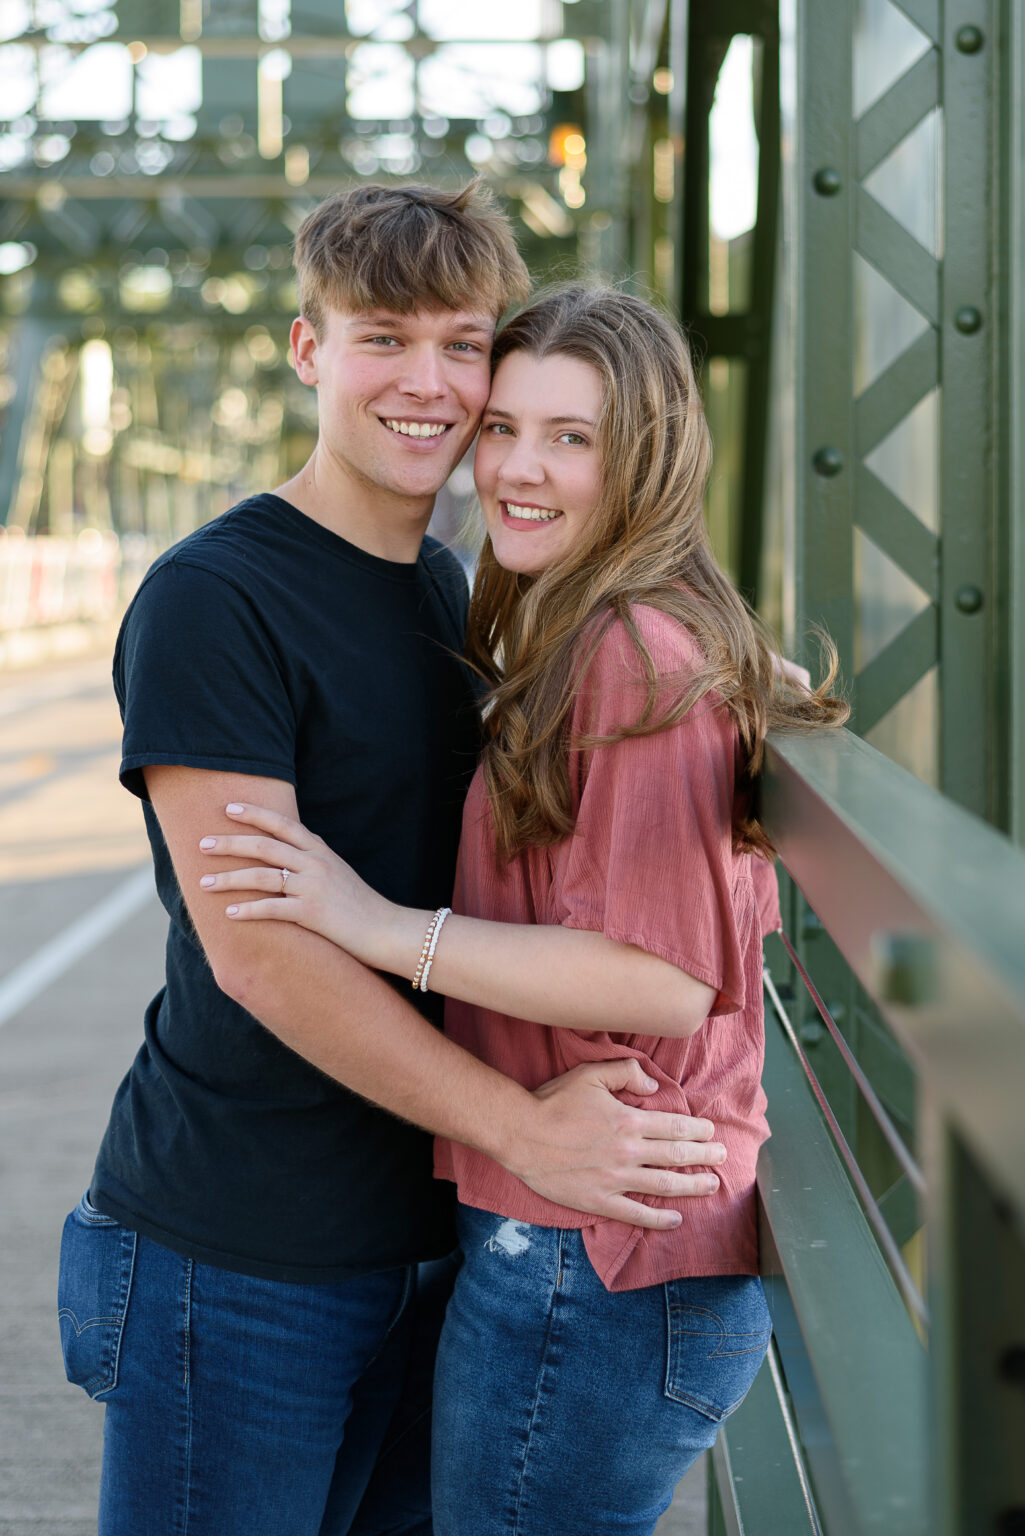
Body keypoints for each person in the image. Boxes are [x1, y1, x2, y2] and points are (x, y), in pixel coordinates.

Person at [57, 190, 728, 1536]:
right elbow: (262, 953)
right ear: (310, 351)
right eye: (383, 338)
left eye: (463, 344)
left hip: (432, 1244)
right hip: (239, 1249)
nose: (428, 384)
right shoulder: (216, 598)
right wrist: (525, 1129)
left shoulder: (447, 592)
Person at [195, 285, 849, 1536]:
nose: (515, 468)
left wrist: (375, 924)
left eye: (571, 438)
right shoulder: (603, 634)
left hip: (591, 1254)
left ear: (644, 457)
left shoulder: (629, 651)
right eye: (501, 427)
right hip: (591, 1243)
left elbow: (662, 979)